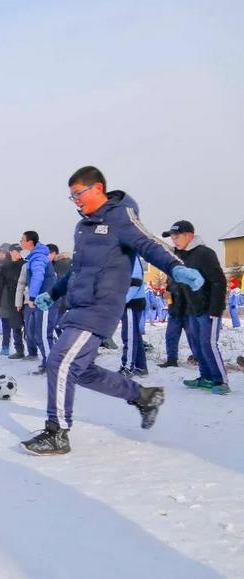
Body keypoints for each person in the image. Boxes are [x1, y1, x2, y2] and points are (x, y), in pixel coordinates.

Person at [23, 166, 203, 455]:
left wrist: (177, 268)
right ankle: (144, 396)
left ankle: (57, 432)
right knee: (81, 371)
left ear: (97, 188)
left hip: (101, 307)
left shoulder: (120, 215)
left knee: (59, 361)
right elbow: (77, 272)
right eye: (72, 197)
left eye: (78, 194)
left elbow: (149, 243)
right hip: (79, 306)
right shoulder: (83, 228)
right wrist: (52, 293)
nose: (76, 201)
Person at [162, 220, 230, 394]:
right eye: (172, 237)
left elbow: (218, 281)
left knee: (208, 344)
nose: (174, 240)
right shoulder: (180, 256)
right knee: (196, 344)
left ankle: (220, 381)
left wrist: (215, 309)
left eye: (177, 236)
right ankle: (206, 377)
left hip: (208, 308)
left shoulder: (204, 254)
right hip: (190, 309)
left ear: (189, 235)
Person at [20, 231, 57, 374]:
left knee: (43, 334)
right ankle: (47, 360)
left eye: (23, 239)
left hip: (45, 301)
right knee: (37, 333)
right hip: (41, 300)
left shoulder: (38, 258)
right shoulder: (35, 256)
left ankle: (51, 365)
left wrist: (32, 297)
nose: (21, 242)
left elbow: (38, 276)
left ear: (31, 242)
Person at [0, 245, 26, 359]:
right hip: (12, 299)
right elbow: (0, 285)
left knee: (29, 326)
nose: (18, 253)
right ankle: (19, 350)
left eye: (19, 251)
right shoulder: (5, 267)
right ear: (10, 252)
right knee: (16, 326)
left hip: (26, 298)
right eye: (15, 251)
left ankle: (33, 351)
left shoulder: (25, 264)